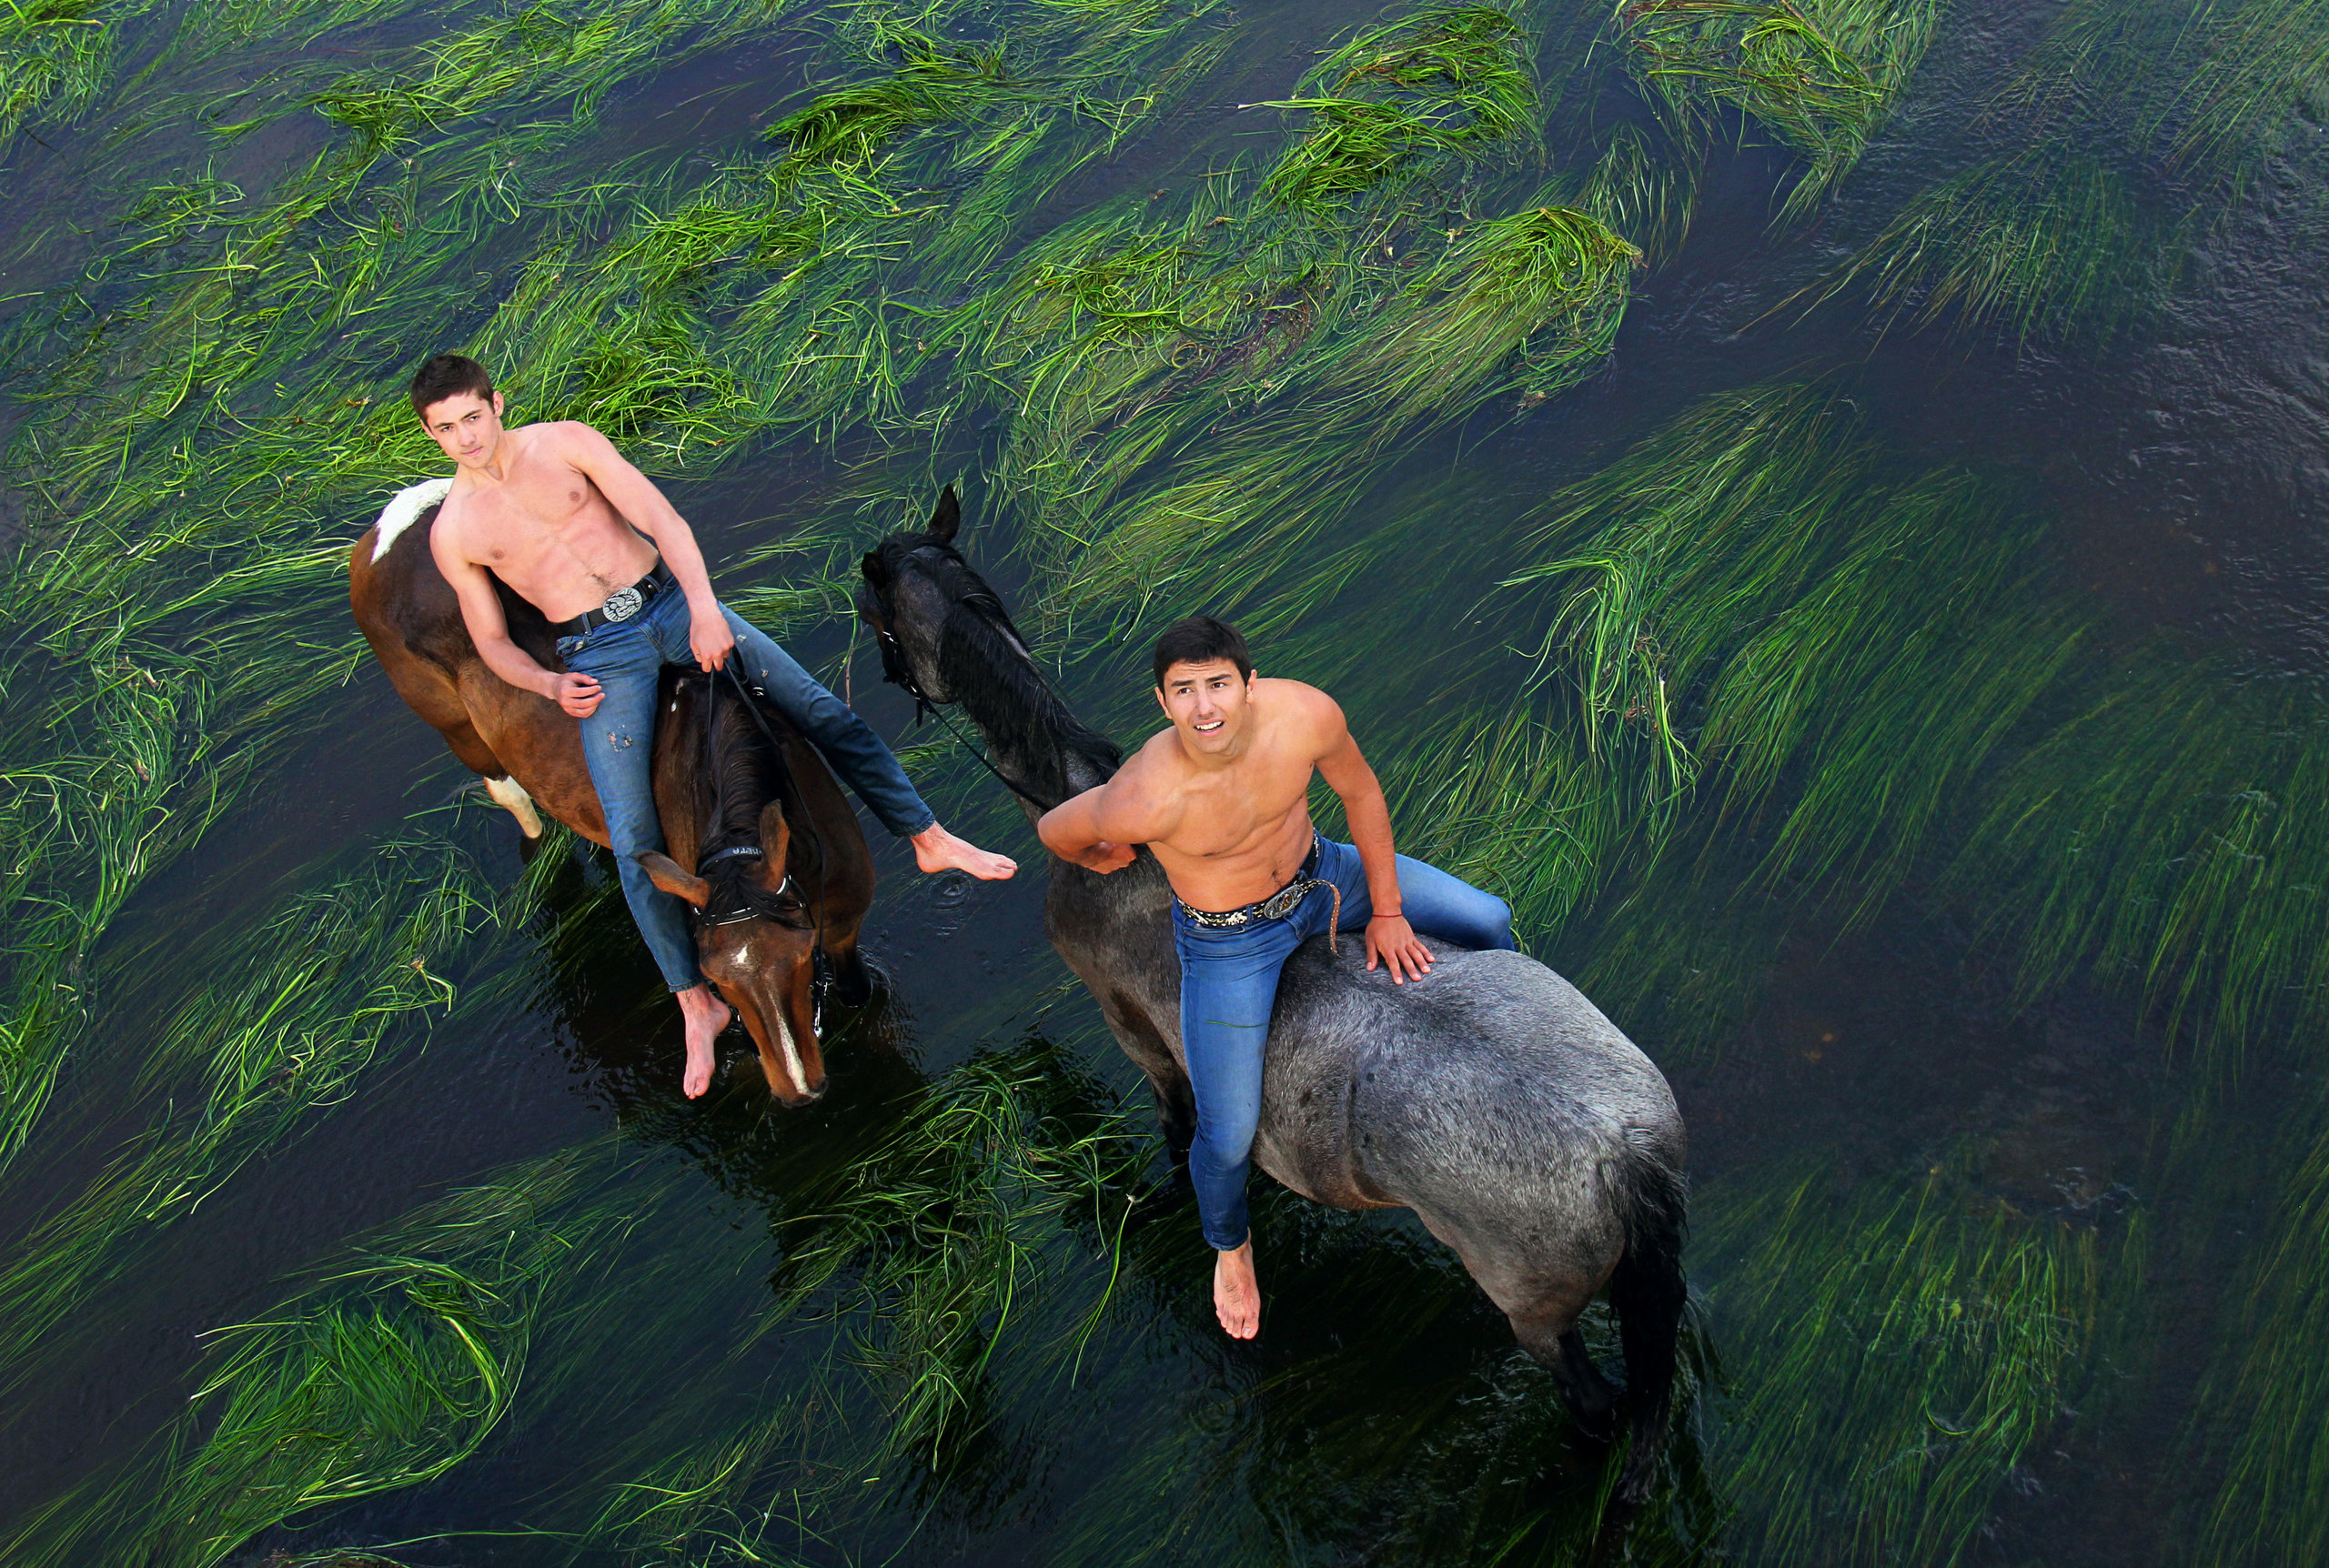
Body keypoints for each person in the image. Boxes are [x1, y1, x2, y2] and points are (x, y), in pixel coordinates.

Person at [410, 353, 1015, 1096]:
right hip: (597, 650)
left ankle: (927, 836)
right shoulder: (456, 531)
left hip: (665, 601)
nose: (466, 439)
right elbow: (494, 642)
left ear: (497, 403)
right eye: (446, 429)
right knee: (634, 844)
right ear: (432, 436)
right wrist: (546, 681)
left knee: (826, 716)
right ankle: (695, 1003)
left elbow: (662, 520)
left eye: (473, 417)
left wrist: (701, 607)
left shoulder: (565, 442)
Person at [1034, 616, 1515, 1339]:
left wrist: (1385, 910)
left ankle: (1514, 1054)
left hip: (1326, 876)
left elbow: (1362, 796)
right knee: (1225, 1135)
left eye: (1219, 684)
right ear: (1162, 703)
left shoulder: (1305, 715)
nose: (1205, 708)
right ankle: (1231, 1249)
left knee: (1488, 918)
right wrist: (1099, 854)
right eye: (1184, 691)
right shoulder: (1143, 794)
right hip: (1232, 944)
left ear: (1250, 685)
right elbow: (1056, 831)